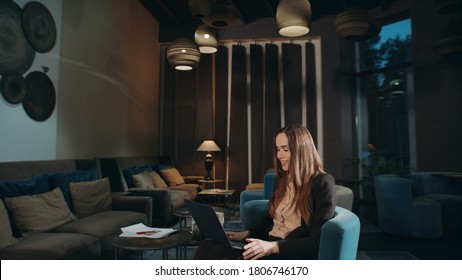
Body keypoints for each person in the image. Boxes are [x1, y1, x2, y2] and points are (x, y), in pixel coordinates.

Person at [194, 123, 337, 260]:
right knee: (207, 245)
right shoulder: (281, 180)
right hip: (267, 243)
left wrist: (273, 247)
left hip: (288, 252)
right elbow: (268, 219)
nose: (279, 155)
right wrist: (244, 234)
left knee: (218, 254)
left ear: (302, 149)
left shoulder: (322, 183)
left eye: (285, 149)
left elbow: (316, 241)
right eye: (278, 149)